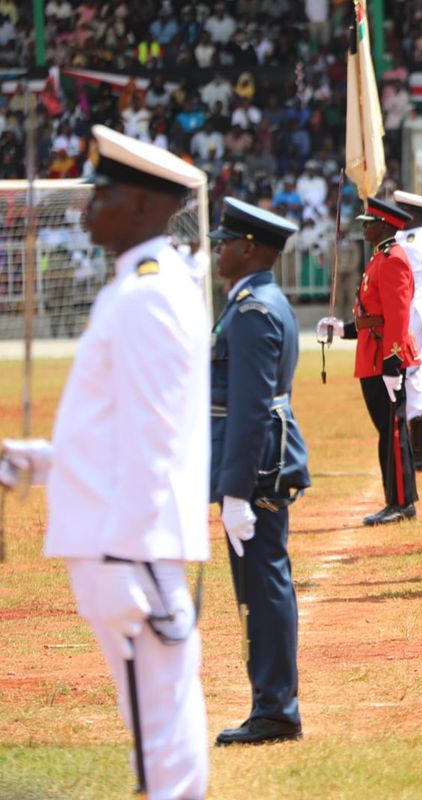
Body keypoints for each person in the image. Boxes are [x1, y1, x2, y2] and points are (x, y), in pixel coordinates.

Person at [0, 125, 210, 797]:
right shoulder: (137, 284)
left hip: (128, 550)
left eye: (105, 194)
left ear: (146, 208)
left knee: (162, 749)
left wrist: (129, 559)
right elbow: (113, 438)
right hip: (123, 545)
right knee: (156, 737)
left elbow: (152, 442)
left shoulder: (148, 293)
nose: (88, 208)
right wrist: (33, 461)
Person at [208, 197, 310, 746]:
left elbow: (248, 409)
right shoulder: (256, 301)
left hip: (258, 470)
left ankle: (274, 709)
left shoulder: (252, 310)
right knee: (265, 584)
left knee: (264, 587)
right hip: (263, 464)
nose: (218, 250)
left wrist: (235, 491)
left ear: (249, 247)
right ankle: (273, 703)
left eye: (224, 241)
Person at [317, 197, 421, 526]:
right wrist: (343, 329)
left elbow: (398, 315)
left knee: (391, 432)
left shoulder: (392, 259)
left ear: (386, 225)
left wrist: (392, 361)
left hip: (383, 358)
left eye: (368, 222)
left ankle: (401, 502)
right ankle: (397, 499)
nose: (363, 227)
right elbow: (373, 315)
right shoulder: (380, 257)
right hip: (372, 355)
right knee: (386, 430)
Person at [393, 190, 422, 472]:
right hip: (412, 311)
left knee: (412, 376)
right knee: (410, 376)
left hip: (413, 314)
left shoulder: (415, 239)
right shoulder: (410, 237)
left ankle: (419, 451)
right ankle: (415, 448)